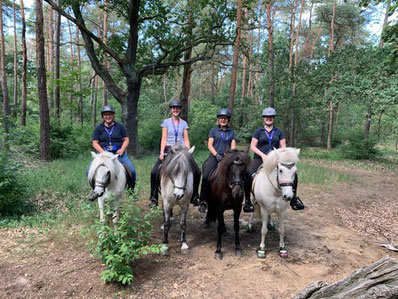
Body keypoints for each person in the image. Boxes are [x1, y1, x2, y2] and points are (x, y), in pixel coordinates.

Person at [244, 107, 304, 212]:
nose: (269, 119)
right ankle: (248, 201)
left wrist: (281, 157)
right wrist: (262, 155)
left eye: (271, 117)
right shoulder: (258, 131)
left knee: (293, 173)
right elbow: (253, 146)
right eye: (267, 117)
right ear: (263, 118)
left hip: (276, 159)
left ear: (274, 118)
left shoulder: (279, 132)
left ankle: (294, 198)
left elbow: (283, 147)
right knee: (248, 172)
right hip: (260, 158)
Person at [148, 99, 201, 208]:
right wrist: (162, 152)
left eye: (177, 108)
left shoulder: (184, 123)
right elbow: (164, 138)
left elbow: (186, 139)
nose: (175, 110)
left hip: (182, 150)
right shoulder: (166, 122)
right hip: (169, 150)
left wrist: (188, 151)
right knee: (154, 172)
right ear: (171, 110)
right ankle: (154, 197)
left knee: (197, 171)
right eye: (173, 108)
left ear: (180, 110)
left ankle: (194, 195)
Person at [88, 105, 136, 199]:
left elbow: (126, 139)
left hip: (118, 154)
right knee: (89, 172)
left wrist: (122, 149)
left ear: (113, 116)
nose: (108, 116)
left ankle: (131, 191)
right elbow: (95, 143)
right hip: (103, 155)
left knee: (132, 170)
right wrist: (103, 153)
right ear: (103, 116)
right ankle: (95, 191)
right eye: (105, 115)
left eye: (110, 114)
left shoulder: (120, 127)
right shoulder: (99, 128)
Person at [198, 108, 236, 213]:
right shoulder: (213, 130)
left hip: (227, 158)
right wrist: (216, 155)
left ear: (228, 120)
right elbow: (210, 145)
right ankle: (203, 201)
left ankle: (238, 198)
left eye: (225, 118)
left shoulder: (231, 132)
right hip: (214, 157)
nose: (223, 120)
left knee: (238, 173)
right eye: (221, 118)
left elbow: (233, 146)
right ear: (218, 119)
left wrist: (229, 155)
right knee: (206, 175)